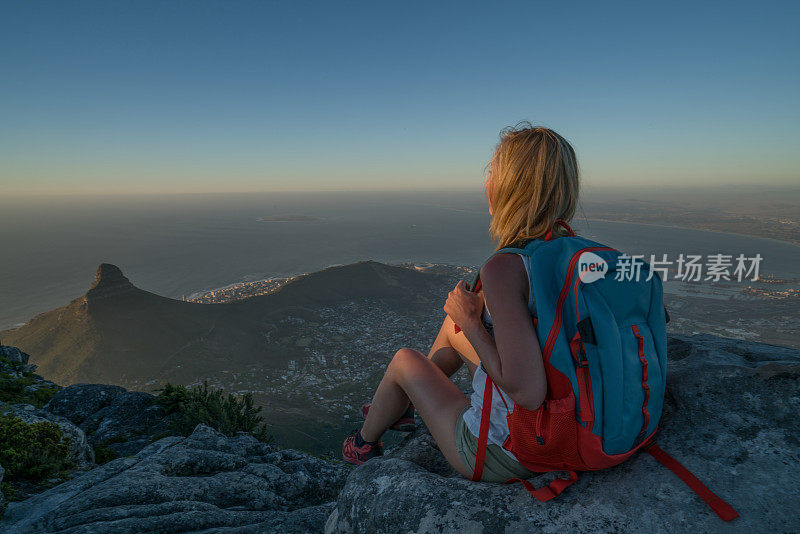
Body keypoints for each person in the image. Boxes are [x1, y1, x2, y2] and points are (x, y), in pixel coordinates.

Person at [342, 122, 580, 482]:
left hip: (512, 450)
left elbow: (529, 392)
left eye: (494, 172)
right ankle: (400, 403)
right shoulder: (576, 255)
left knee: (406, 361)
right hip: (577, 423)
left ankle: (363, 443)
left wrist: (471, 322)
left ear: (511, 187)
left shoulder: (507, 267)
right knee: (453, 327)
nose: (486, 183)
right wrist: (464, 322)